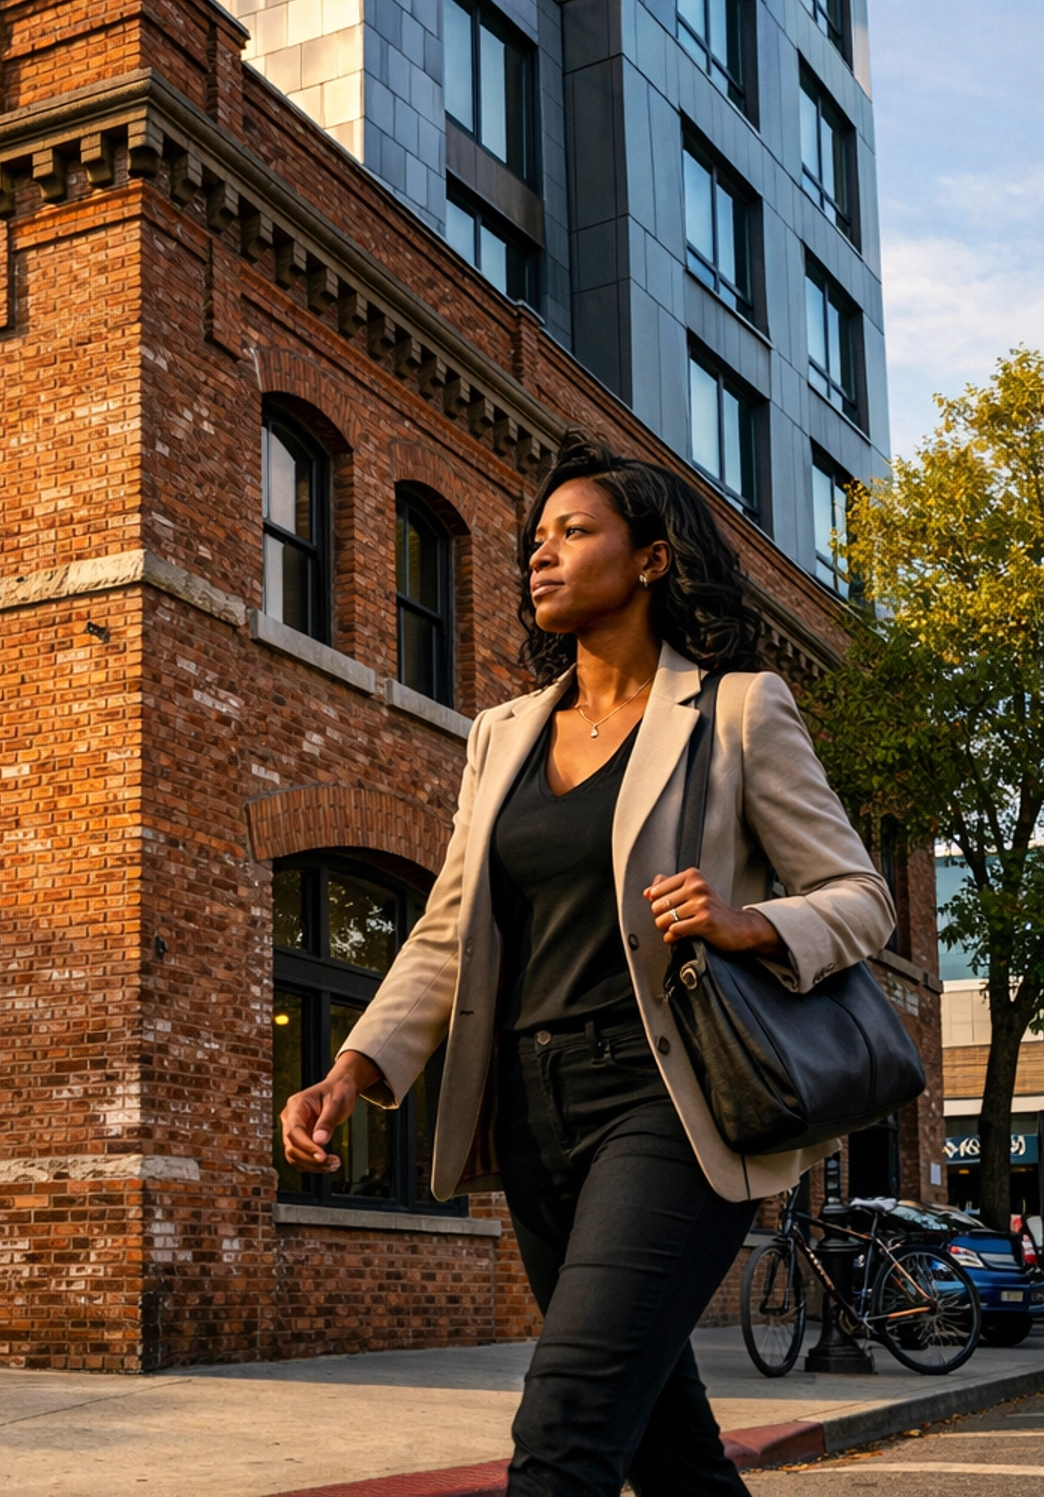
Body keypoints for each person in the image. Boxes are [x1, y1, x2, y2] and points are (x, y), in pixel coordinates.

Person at [279, 434, 895, 1497]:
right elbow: (449, 924)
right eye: (537, 538)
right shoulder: (501, 734)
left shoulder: (738, 712)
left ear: (650, 559)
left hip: (669, 1101)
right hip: (529, 1113)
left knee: (566, 1427)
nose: (541, 555)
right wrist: (357, 1070)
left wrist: (752, 923)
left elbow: (862, 899)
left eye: (575, 532)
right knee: (665, 1445)